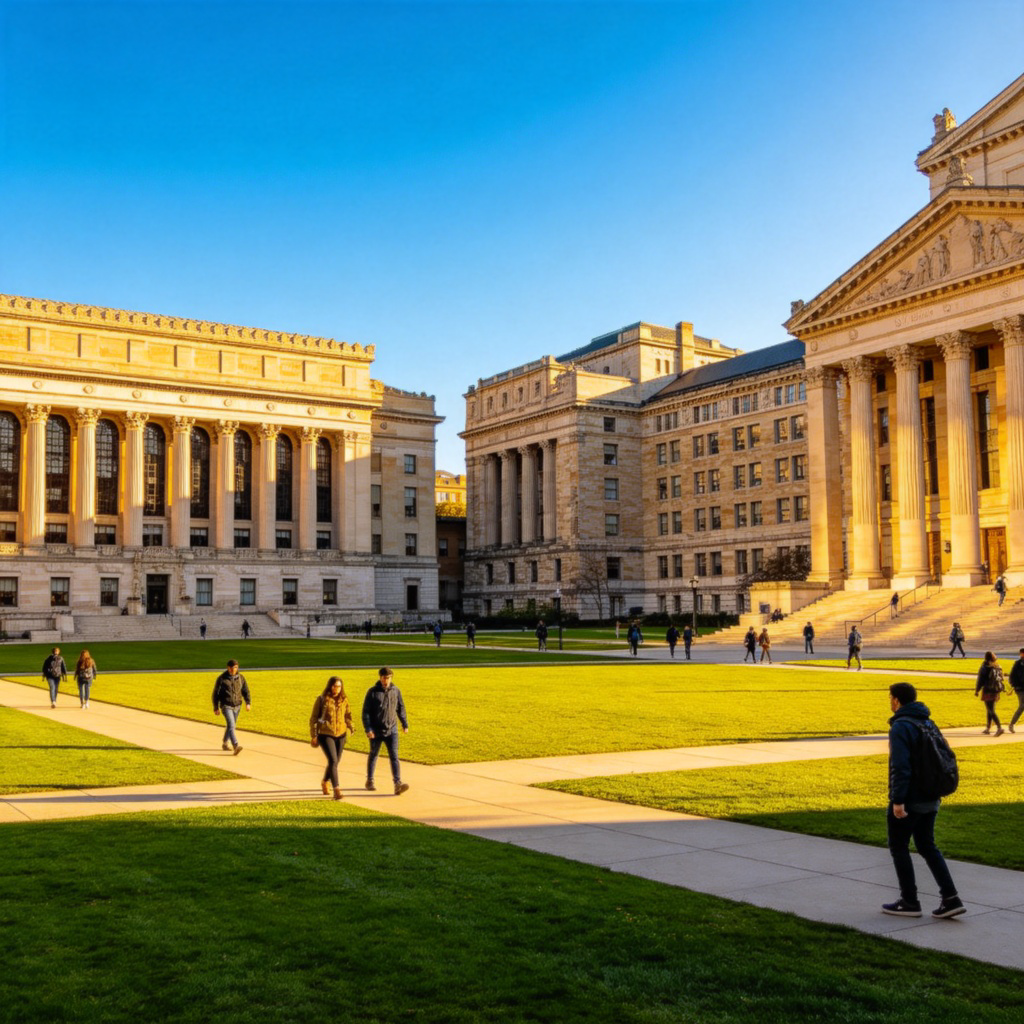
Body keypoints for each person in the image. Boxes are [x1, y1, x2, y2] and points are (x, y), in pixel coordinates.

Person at [882, 681, 965, 919]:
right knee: (927, 846)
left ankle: (909, 901)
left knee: (898, 847)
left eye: (890, 698)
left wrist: (898, 801)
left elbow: (900, 766)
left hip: (910, 798)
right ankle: (950, 897)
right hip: (931, 794)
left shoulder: (900, 726)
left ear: (896, 700)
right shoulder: (928, 722)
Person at [362, 667, 410, 795]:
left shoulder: (396, 691)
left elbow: (400, 708)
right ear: (380, 677)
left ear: (391, 678)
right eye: (383, 677)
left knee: (394, 756)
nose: (386, 680)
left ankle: (397, 784)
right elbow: (366, 712)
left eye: (388, 678)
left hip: (392, 729)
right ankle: (370, 780)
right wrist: (368, 729)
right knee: (373, 755)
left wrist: (404, 723)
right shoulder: (372, 692)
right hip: (376, 730)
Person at [309, 676, 353, 800]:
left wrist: (351, 727)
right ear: (330, 686)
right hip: (326, 733)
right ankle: (337, 789)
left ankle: (325, 781)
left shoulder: (344, 699)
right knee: (333, 760)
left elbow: (348, 715)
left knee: (335, 761)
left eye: (339, 686)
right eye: (334, 686)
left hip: (341, 734)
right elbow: (313, 719)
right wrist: (313, 735)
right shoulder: (322, 699)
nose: (336, 689)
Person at [212, 659, 251, 754]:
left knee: (231, 726)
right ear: (228, 668)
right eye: (232, 668)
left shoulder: (241, 678)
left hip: (237, 705)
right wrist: (216, 707)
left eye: (236, 667)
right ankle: (235, 745)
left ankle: (225, 743)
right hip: (226, 705)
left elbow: (246, 690)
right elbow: (215, 694)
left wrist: (248, 702)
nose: (234, 669)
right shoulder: (221, 679)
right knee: (232, 725)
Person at [974, 651, 1005, 736]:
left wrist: (977, 690)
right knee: (990, 709)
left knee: (990, 710)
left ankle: (999, 728)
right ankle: (988, 727)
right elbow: (1001, 678)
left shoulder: (984, 667)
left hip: (988, 690)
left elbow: (980, 680)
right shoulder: (997, 666)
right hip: (995, 690)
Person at [1009, 648, 1024, 734]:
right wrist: (1014, 685)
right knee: (1022, 706)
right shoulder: (1018, 664)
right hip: (1020, 688)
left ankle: (1012, 724)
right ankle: (1012, 724)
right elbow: (1012, 676)